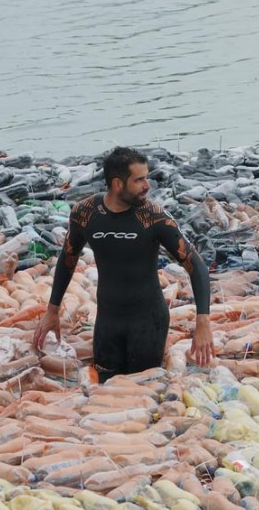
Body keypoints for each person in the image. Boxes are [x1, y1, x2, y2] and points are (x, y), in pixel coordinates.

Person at [33, 146, 213, 382]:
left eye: (146, 177)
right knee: (107, 390)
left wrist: (203, 321)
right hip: (108, 321)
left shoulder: (153, 218)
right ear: (118, 184)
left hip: (148, 322)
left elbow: (195, 264)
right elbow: (68, 258)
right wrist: (52, 311)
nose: (147, 186)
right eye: (139, 180)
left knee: (145, 391)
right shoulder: (85, 214)